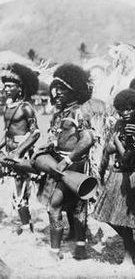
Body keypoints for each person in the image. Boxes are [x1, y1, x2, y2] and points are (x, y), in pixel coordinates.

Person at [36, 63, 94, 260]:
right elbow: (56, 139)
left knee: (59, 206)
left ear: (75, 91)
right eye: (56, 89)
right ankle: (78, 247)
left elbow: (88, 139)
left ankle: (61, 251)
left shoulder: (79, 112)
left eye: (63, 89)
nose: (57, 92)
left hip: (75, 166)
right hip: (58, 164)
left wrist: (68, 160)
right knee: (70, 207)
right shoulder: (58, 114)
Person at [93, 88, 135, 267]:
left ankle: (129, 256)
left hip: (131, 175)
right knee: (105, 215)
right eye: (123, 109)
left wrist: (117, 142)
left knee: (126, 219)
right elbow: (108, 149)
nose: (126, 112)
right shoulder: (119, 125)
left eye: (130, 108)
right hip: (116, 173)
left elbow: (127, 156)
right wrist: (115, 143)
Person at [0, 63, 40, 236]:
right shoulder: (6, 107)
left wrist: (19, 151)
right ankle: (25, 224)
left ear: (19, 88)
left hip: (20, 154)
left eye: (10, 86)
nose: (6, 89)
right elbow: (7, 132)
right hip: (8, 152)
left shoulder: (26, 107)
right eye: (5, 86)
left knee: (20, 190)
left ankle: (26, 228)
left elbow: (36, 133)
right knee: (13, 189)